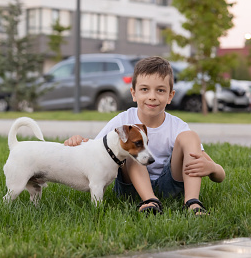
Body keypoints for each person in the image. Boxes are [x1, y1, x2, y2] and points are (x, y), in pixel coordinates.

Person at [64, 56, 225, 215]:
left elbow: (220, 175)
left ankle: (192, 203)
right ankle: (150, 201)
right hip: (131, 188)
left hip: (170, 186)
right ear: (133, 93)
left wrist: (212, 168)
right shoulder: (123, 120)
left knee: (190, 136)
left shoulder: (177, 126)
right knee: (129, 150)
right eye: (144, 89)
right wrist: (79, 141)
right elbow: (96, 150)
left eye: (160, 90)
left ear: (170, 95)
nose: (152, 96)